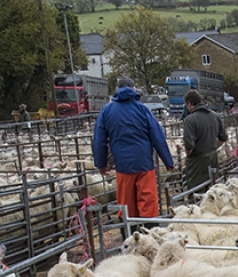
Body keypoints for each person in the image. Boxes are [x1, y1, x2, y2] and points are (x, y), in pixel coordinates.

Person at [93, 77, 175, 221]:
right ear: (134, 89)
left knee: (126, 204)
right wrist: (168, 161)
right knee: (148, 202)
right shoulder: (143, 109)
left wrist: (101, 163)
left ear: (117, 90)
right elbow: (157, 136)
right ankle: (148, 234)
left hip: (123, 165)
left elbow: (99, 139)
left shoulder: (107, 111)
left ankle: (128, 236)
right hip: (145, 163)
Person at [179, 89, 227, 193]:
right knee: (213, 191)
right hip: (213, 157)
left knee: (197, 192)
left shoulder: (190, 120)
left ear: (189, 103)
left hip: (197, 161)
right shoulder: (215, 116)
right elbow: (223, 138)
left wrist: (189, 154)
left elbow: (189, 145)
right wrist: (213, 147)